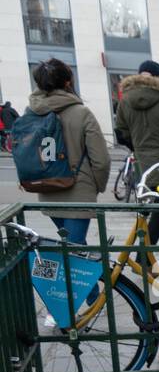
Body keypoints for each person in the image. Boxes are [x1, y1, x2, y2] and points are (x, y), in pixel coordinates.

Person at [25, 59, 110, 245]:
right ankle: (90, 273)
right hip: (78, 189)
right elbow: (101, 160)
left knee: (74, 246)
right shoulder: (81, 112)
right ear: (67, 82)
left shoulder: (30, 112)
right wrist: (97, 186)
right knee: (74, 250)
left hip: (46, 187)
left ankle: (95, 273)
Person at [114, 60, 159, 260]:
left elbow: (121, 133)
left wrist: (138, 148)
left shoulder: (125, 100)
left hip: (144, 165)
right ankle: (142, 257)